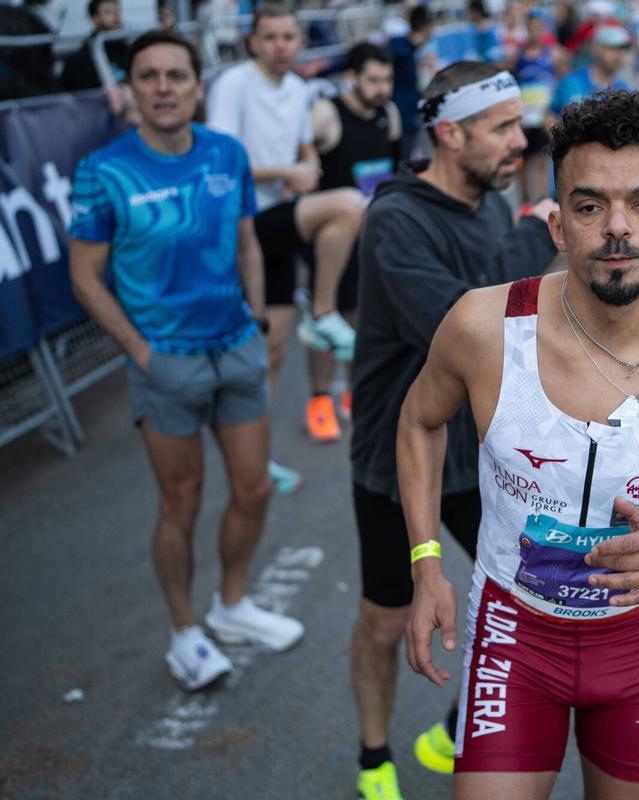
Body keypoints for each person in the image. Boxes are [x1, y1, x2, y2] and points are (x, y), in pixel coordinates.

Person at [397, 89, 639, 800]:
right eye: (588, 206)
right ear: (558, 226)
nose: (617, 229)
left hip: (638, 648)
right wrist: (426, 564)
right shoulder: (483, 327)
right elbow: (419, 422)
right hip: (514, 639)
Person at [67, 30, 304, 692]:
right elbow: (84, 278)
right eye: (149, 76)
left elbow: (248, 243)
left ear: (199, 86)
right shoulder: (104, 170)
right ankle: (184, 634)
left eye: (177, 75)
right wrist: (142, 353)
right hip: (165, 364)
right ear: (133, 89)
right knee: (182, 503)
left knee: (253, 488)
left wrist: (256, 323)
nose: (164, 87)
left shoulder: (227, 153)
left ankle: (231, 607)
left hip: (235, 347)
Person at [348, 61, 558, 800]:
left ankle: (452, 729)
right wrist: (538, 238)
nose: (521, 141)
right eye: (502, 128)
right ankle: (374, 755)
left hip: (482, 448)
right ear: (449, 132)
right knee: (387, 617)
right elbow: (463, 327)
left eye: (519, 123)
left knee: (533, 592)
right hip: (396, 451)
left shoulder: (493, 203)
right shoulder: (397, 218)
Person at [207, 3, 363, 488]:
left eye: (288, 37)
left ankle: (258, 458)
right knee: (349, 205)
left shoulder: (297, 89)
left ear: (300, 42)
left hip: (275, 219)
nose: (280, 45)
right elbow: (219, 164)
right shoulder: (232, 84)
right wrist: (286, 173)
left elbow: (302, 146)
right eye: (270, 37)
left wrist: (308, 162)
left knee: (271, 353)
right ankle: (322, 313)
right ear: (253, 42)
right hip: (239, 220)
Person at [306, 42, 402, 442]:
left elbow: (394, 171)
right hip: (333, 239)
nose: (382, 89)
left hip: (373, 236)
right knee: (324, 323)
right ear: (352, 78)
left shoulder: (389, 114)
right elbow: (304, 161)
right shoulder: (327, 114)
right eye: (373, 80)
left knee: (361, 319)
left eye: (387, 80)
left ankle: (352, 393)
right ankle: (318, 400)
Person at [512, 11, 564, 204]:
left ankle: (542, 201)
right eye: (531, 28)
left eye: (538, 28)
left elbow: (562, 82)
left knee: (543, 160)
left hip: (544, 116)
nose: (535, 32)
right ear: (526, 29)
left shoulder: (554, 54)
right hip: (525, 118)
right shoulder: (518, 56)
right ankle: (524, 202)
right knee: (523, 160)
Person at [551, 24, 631, 118]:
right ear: (596, 49)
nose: (618, 56)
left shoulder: (623, 90)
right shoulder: (571, 82)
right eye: (612, 48)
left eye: (621, 50)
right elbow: (550, 114)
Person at [388, 4, 434, 164]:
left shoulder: (422, 50)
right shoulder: (398, 47)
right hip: (401, 116)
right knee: (402, 161)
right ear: (427, 27)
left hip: (415, 114)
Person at [60, 0, 129, 91]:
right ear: (95, 19)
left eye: (118, 11)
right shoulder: (78, 62)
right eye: (108, 12)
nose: (117, 18)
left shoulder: (128, 51)